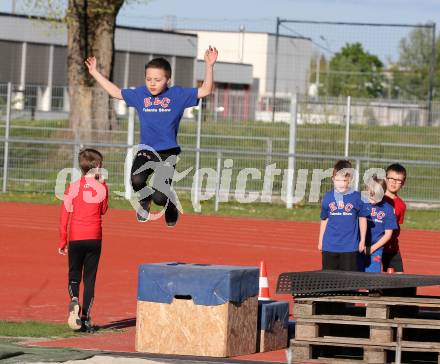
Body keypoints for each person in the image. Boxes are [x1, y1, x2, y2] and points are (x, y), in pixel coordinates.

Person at [85, 46, 218, 226]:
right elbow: (116, 93)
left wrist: (209, 66)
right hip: (146, 150)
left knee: (160, 197)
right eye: (149, 79)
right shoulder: (141, 94)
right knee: (136, 180)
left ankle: (170, 204)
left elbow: (205, 91)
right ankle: (144, 200)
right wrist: (94, 72)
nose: (152, 83)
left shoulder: (177, 95)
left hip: (168, 153)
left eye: (157, 79)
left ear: (167, 80)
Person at [59, 148, 108, 332]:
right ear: (96, 167)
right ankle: (86, 318)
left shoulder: (72, 187)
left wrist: (62, 240)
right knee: (90, 279)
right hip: (94, 237)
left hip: (76, 237)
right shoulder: (101, 187)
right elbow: (103, 209)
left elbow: (64, 216)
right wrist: (104, 186)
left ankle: (74, 301)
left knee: (74, 274)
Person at [319, 160, 368, 271]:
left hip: (349, 247)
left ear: (350, 179)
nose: (340, 184)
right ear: (332, 179)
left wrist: (362, 240)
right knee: (329, 281)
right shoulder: (328, 197)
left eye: (344, 180)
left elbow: (362, 219)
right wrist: (320, 240)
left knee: (347, 281)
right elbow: (324, 219)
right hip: (329, 246)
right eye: (337, 180)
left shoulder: (357, 197)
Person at [358, 176, 397, 272]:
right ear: (367, 190)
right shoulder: (361, 202)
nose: (373, 200)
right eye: (371, 195)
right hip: (358, 246)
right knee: (355, 276)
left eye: (377, 197)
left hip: (376, 249)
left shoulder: (388, 209)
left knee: (372, 279)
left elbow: (388, 235)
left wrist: (372, 248)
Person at [382, 163, 407, 272]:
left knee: (399, 275)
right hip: (375, 245)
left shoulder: (401, 205)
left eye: (398, 180)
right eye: (391, 178)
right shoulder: (376, 199)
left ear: (403, 183)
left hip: (391, 247)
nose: (394, 182)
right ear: (385, 179)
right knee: (373, 276)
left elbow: (397, 225)